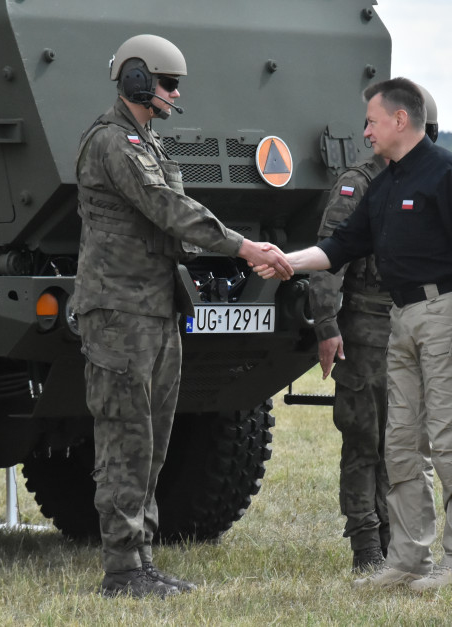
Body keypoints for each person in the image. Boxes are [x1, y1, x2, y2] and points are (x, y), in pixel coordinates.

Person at [72, 33, 293, 599]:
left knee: (153, 442)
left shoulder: (148, 142)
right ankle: (122, 571)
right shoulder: (112, 143)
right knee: (125, 442)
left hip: (155, 308)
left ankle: (142, 561)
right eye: (166, 83)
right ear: (137, 80)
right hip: (119, 312)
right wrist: (245, 248)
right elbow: (169, 209)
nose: (174, 94)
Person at [258, 77, 452, 591]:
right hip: (399, 321)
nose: (364, 130)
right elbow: (341, 245)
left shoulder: (449, 174)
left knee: (451, 442)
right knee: (402, 443)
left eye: (371, 121)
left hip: (445, 311)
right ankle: (407, 561)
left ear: (400, 120)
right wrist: (284, 261)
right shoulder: (383, 185)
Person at [307, 85, 441, 574]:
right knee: (365, 436)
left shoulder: (428, 181)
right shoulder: (357, 184)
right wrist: (326, 325)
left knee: (403, 440)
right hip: (364, 328)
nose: (366, 133)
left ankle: (396, 539)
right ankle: (366, 542)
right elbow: (328, 259)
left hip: (409, 325)